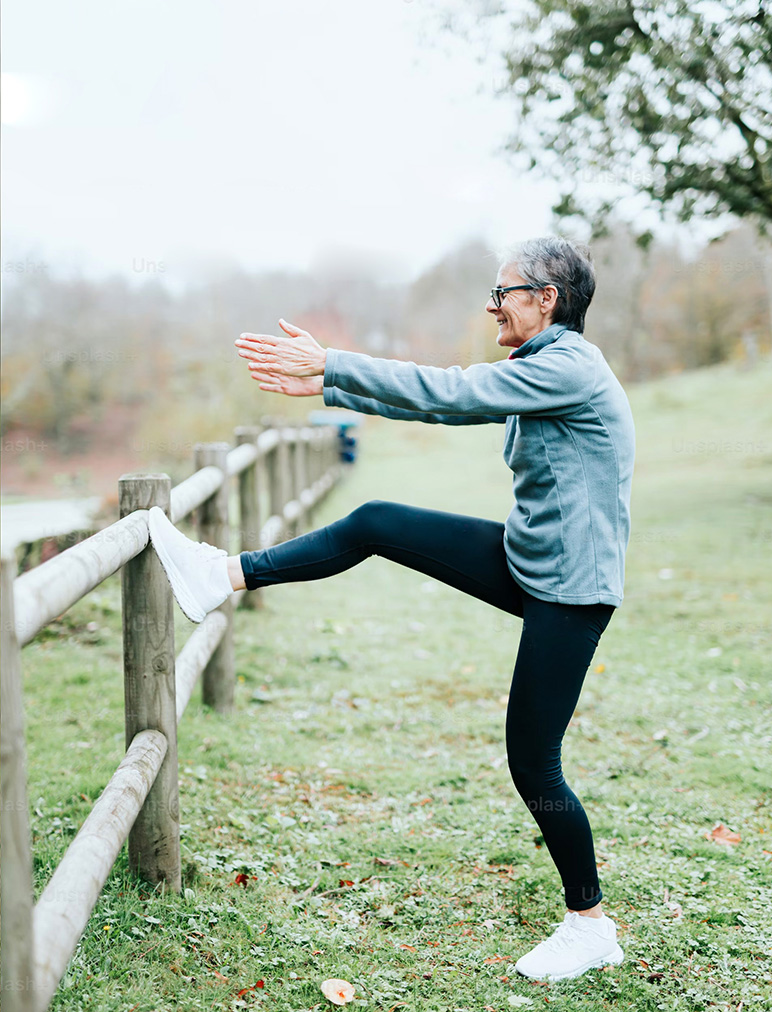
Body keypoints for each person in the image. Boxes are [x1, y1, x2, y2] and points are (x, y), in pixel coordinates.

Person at [148, 236, 635, 983]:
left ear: (547, 299)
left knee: (533, 759)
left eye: (502, 292)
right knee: (376, 521)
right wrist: (330, 386)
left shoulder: (569, 366)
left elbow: (450, 391)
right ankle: (223, 576)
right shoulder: (540, 365)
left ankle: (589, 924)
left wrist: (334, 365)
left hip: (569, 587)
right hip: (530, 557)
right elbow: (443, 406)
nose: (491, 305)